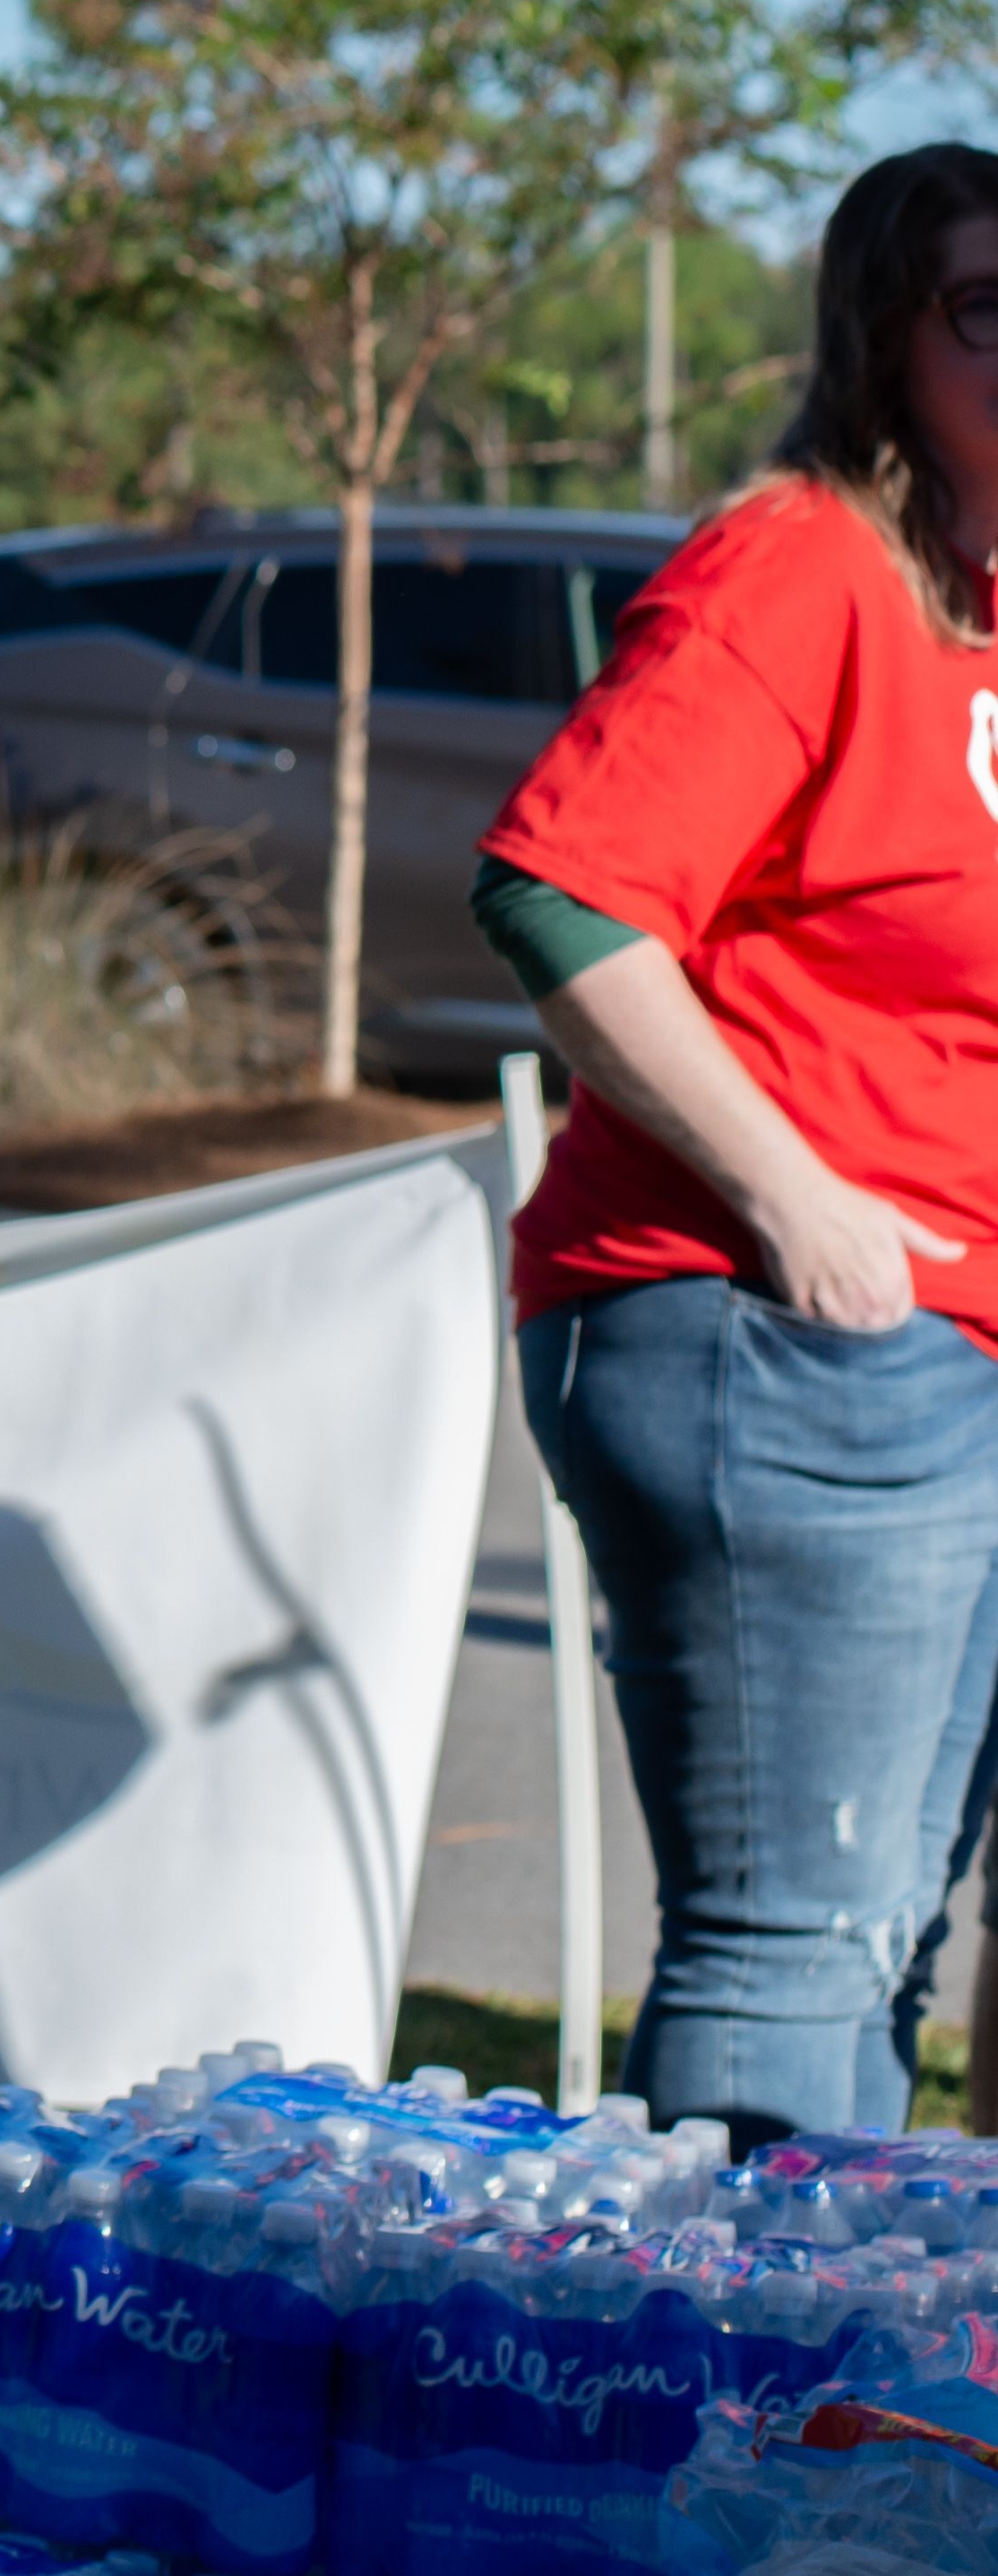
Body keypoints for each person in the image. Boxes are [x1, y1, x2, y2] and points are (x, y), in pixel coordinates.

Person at [475, 141, 998, 2147]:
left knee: (878, 1937)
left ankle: (816, 2427)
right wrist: (794, 1197)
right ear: (881, 341)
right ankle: (693, 2439)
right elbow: (560, 897)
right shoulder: (799, 564)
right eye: (982, 309)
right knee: (793, 1938)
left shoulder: (971, 611)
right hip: (774, 1329)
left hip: (938, 1335)